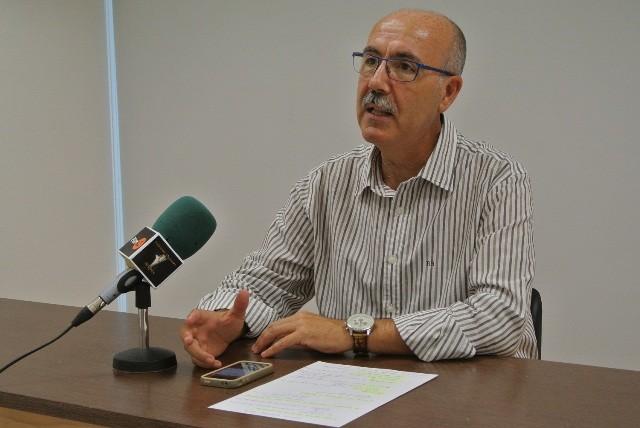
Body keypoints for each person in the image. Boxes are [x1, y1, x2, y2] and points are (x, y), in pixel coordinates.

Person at [181, 9, 536, 368]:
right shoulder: (325, 184)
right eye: (370, 61)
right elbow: (265, 283)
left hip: (467, 393)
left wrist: (354, 333)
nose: (376, 83)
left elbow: (500, 317)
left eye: (404, 67)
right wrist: (226, 318)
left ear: (448, 92)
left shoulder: (497, 181)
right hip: (353, 390)